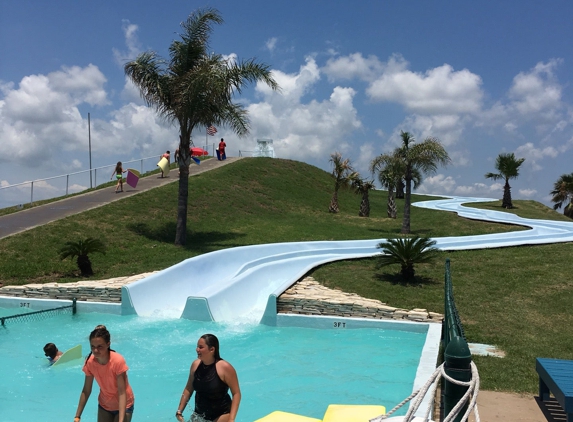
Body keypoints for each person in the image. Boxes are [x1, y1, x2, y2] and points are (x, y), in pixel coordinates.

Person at [74, 325, 135, 422]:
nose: (95, 350)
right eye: (92, 347)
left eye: (99, 347)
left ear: (108, 344)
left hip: (124, 404)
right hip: (105, 405)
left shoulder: (117, 361)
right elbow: (86, 390)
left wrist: (121, 420)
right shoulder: (90, 362)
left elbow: (122, 392)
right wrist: (77, 416)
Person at [175, 334, 241, 422]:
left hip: (221, 415)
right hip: (199, 415)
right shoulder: (195, 365)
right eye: (197, 346)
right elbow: (188, 388)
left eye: (201, 347)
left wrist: (231, 419)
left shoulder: (224, 367)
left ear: (212, 349)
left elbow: (236, 393)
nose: (197, 349)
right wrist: (179, 411)